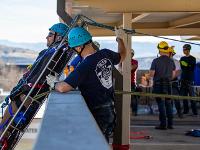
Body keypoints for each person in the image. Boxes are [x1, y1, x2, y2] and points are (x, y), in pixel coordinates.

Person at [46, 26, 127, 142]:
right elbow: (122, 55)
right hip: (110, 110)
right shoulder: (105, 53)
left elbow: (63, 88)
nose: (74, 52)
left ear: (79, 47)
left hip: (97, 114)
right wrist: (120, 38)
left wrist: (54, 83)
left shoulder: (85, 65)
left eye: (74, 49)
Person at [0, 23, 69, 146]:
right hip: (27, 94)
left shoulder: (54, 53)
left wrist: (21, 89)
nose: (46, 37)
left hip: (27, 95)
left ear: (58, 37)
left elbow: (39, 78)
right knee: (6, 127)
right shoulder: (52, 52)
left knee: (6, 128)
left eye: (50, 34)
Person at [150, 41, 176, 130]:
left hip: (158, 85)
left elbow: (152, 74)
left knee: (161, 104)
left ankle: (163, 124)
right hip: (168, 84)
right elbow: (173, 75)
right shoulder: (171, 61)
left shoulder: (155, 61)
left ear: (159, 50)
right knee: (169, 104)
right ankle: (170, 124)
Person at [179, 44, 197, 116]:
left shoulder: (193, 58)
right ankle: (186, 110)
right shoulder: (182, 58)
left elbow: (192, 68)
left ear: (188, 50)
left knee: (192, 96)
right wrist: (187, 65)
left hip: (190, 79)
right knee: (184, 96)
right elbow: (182, 68)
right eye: (183, 49)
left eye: (185, 49)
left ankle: (194, 111)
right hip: (183, 78)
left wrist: (187, 65)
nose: (184, 51)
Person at [169, 46, 183, 118]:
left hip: (173, 82)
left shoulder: (176, 62)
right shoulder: (165, 61)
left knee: (176, 98)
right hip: (167, 82)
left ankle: (179, 113)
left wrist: (171, 78)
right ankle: (170, 114)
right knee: (168, 99)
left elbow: (178, 72)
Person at [130, 49, 139, 116]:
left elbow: (131, 68)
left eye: (131, 54)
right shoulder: (122, 61)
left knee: (133, 97)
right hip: (124, 81)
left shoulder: (135, 62)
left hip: (131, 82)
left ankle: (134, 111)